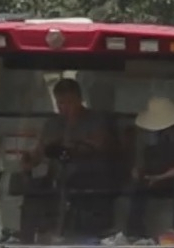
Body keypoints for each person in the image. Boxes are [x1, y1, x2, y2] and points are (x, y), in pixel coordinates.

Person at [21, 79, 117, 239]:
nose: (64, 108)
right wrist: (29, 160)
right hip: (55, 180)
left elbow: (103, 146)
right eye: (60, 103)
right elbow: (39, 152)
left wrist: (75, 146)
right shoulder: (52, 124)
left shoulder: (96, 120)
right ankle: (27, 241)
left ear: (80, 99)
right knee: (30, 195)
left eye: (69, 102)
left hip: (91, 181)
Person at [127, 94, 174, 238]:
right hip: (157, 171)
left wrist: (162, 177)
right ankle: (134, 231)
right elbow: (141, 158)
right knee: (137, 185)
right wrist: (138, 170)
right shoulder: (147, 133)